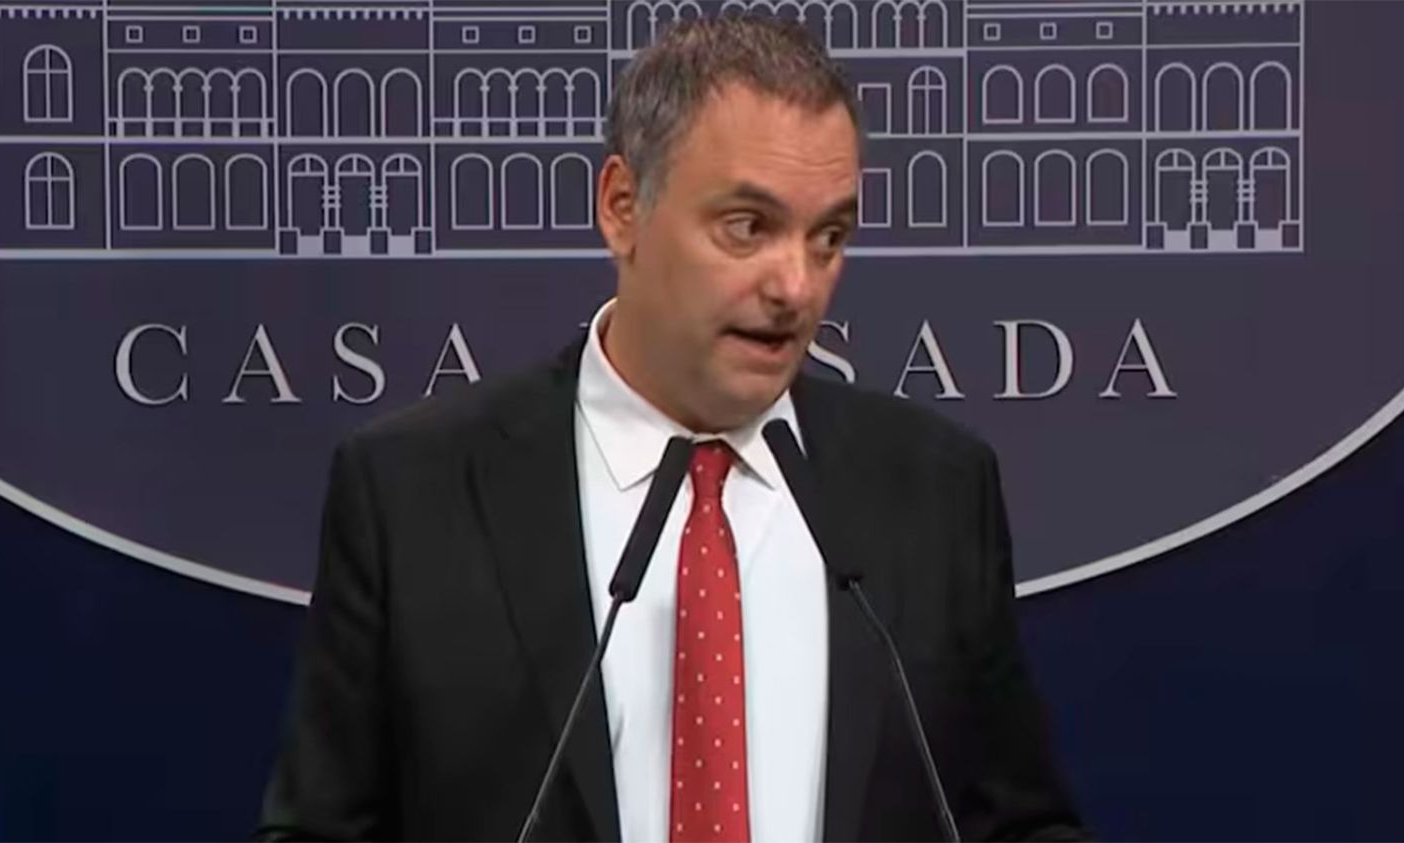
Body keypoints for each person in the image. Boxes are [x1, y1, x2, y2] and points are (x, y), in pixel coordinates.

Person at [258, 16, 1087, 843]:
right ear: (623, 207)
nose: (796, 286)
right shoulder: (412, 491)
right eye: (748, 227)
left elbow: (1017, 825)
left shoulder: (936, 489)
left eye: (828, 236)